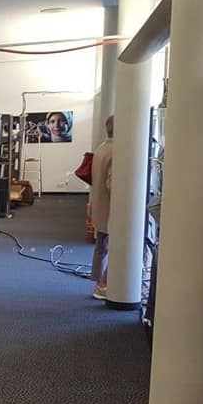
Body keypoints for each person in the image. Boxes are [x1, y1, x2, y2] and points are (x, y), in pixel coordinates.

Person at [90, 115, 113, 299]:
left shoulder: (100, 148)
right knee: (115, 247)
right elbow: (112, 184)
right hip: (112, 207)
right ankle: (104, 284)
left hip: (99, 203)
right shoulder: (117, 151)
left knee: (101, 245)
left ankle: (98, 281)